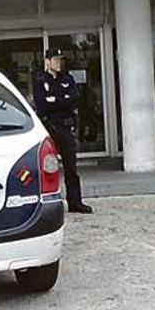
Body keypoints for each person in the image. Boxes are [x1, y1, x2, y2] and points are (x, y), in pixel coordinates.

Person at [33, 48, 93, 214]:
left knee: (71, 167)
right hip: (49, 127)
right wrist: (61, 101)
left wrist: (56, 101)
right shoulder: (40, 80)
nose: (58, 63)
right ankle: (42, 203)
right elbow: (42, 104)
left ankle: (75, 202)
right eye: (55, 59)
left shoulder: (67, 79)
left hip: (65, 126)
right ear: (47, 61)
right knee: (44, 166)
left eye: (60, 60)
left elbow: (73, 100)